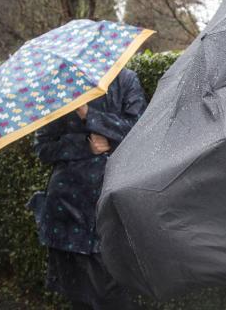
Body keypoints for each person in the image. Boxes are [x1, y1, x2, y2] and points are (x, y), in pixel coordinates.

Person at [27, 68, 146, 310]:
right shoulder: (59, 88)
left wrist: (89, 115)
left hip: (110, 204)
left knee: (113, 292)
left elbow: (141, 129)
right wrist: (85, 146)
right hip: (68, 209)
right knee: (78, 295)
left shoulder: (125, 80)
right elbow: (42, 147)